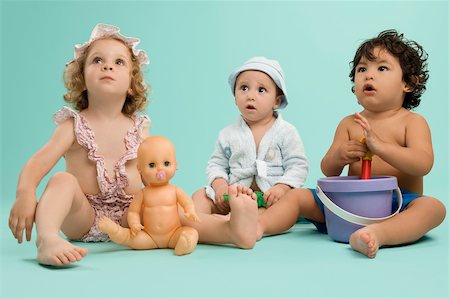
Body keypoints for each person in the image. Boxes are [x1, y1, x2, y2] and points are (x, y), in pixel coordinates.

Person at [279, 29, 446, 258]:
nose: (369, 75)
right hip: (348, 204)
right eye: (362, 69)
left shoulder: (412, 122)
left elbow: (422, 163)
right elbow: (329, 170)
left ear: (408, 83)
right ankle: (259, 225)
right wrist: (339, 155)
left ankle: (378, 233)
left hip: (396, 204)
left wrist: (381, 147)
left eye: (382, 68)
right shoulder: (349, 123)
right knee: (297, 196)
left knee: (433, 208)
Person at [8, 23, 151, 266]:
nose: (108, 65)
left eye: (119, 62)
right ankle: (48, 239)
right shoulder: (73, 125)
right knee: (62, 180)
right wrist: (25, 194)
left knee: (159, 195)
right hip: (82, 217)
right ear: (82, 79)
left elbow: (152, 172)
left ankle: (213, 227)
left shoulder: (140, 127)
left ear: (130, 84)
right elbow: (39, 162)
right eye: (97, 60)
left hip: (131, 219)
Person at [181, 57, 309, 248]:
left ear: (277, 100)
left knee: (284, 207)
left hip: (267, 200)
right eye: (243, 88)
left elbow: (298, 165)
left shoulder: (286, 132)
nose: (250, 96)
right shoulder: (228, 134)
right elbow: (216, 164)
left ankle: (226, 225)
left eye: (261, 90)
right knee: (200, 195)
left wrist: (282, 188)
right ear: (235, 97)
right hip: (233, 193)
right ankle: (196, 223)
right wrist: (220, 186)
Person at [98, 136, 200, 256]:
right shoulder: (143, 193)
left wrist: (190, 211)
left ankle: (184, 244)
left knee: (192, 232)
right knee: (130, 237)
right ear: (140, 169)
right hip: (149, 237)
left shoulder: (175, 190)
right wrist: (134, 224)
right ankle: (116, 232)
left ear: (175, 164)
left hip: (173, 234)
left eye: (166, 163)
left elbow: (187, 202)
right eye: (152, 165)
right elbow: (133, 212)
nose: (160, 169)